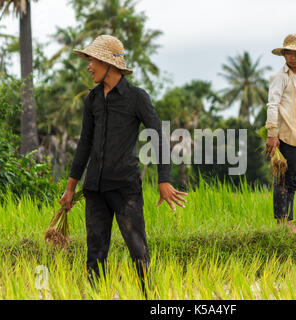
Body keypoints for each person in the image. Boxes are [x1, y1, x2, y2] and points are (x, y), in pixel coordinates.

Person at [59, 35, 187, 296]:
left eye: (92, 60)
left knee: (137, 248)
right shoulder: (92, 100)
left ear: (108, 64)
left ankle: (148, 297)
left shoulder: (136, 98)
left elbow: (159, 137)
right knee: (95, 252)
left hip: (124, 187)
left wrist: (164, 180)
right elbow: (84, 145)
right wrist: (71, 188)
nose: (88, 66)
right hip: (94, 188)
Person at [265, 33, 296, 234]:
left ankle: (289, 220)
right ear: (284, 55)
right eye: (290, 53)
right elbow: (273, 104)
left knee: (295, 179)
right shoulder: (280, 77)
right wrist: (272, 133)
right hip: (286, 134)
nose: (294, 57)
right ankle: (281, 222)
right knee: (283, 179)